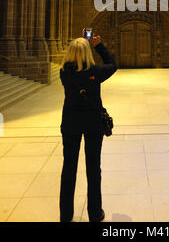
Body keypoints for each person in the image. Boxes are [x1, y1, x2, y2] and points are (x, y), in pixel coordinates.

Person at [59, 35, 117, 223]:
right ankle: (94, 214)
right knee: (93, 170)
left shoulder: (64, 72)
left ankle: (66, 216)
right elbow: (112, 64)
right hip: (93, 124)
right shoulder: (95, 71)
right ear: (87, 52)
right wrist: (99, 45)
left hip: (70, 124)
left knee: (68, 169)